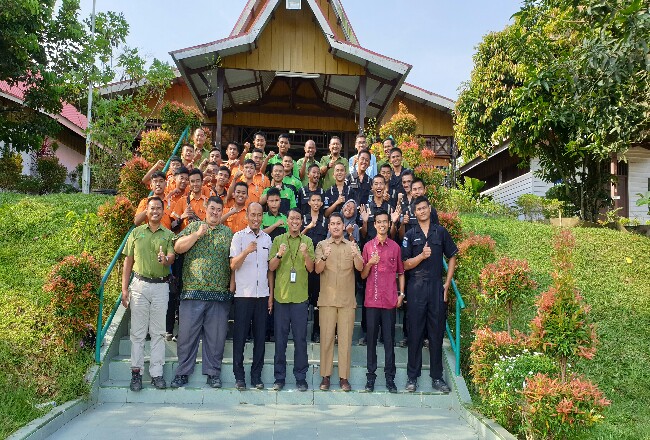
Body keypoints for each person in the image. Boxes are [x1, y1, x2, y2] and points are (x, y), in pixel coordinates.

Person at [170, 196, 234, 389]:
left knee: (215, 338)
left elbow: (233, 262)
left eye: (218, 210)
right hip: (192, 292)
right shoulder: (193, 228)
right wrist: (197, 234)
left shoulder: (228, 233)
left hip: (218, 294)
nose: (215, 213)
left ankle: (213, 373)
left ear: (222, 211)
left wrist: (231, 287)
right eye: (212, 209)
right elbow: (177, 247)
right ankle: (182, 372)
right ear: (206, 208)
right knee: (187, 336)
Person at [402, 196, 458, 393]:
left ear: (429, 208)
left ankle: (437, 378)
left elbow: (452, 256)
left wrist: (447, 284)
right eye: (418, 209)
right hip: (416, 287)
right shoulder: (410, 234)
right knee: (415, 333)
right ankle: (412, 377)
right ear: (414, 213)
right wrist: (421, 256)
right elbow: (404, 264)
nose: (422, 211)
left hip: (436, 287)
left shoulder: (440, 232)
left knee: (435, 334)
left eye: (425, 207)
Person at [121, 196, 176, 392]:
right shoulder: (136, 233)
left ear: (163, 211)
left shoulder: (168, 235)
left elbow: (171, 257)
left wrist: (165, 259)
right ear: (147, 211)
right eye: (151, 208)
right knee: (137, 332)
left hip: (161, 287)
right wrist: (124, 288)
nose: (155, 211)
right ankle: (136, 372)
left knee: (159, 332)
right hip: (139, 285)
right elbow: (128, 261)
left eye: (158, 208)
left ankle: (156, 373)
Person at [314, 213, 364, 392]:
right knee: (326, 340)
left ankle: (344, 378)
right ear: (328, 227)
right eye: (332, 224)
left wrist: (356, 254)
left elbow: (360, 267)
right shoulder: (321, 245)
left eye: (338, 224)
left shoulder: (352, 245)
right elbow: (317, 269)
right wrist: (325, 256)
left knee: (345, 341)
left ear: (344, 226)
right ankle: (325, 377)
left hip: (346, 301)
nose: (335, 227)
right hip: (327, 301)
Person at [268, 209, 315, 392]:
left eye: (298, 218)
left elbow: (311, 269)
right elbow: (271, 267)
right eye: (292, 218)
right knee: (280, 340)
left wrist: (304, 255)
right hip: (282, 297)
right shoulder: (278, 240)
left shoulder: (308, 241)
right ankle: (279, 378)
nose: (295, 221)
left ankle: (301, 377)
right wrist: (279, 254)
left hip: (300, 299)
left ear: (302, 221)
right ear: (287, 221)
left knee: (300, 340)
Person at [229, 202, 273, 390]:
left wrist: (270, 294)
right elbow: (233, 265)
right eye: (252, 215)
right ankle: (239, 376)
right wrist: (246, 251)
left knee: (260, 339)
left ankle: (256, 376)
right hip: (243, 296)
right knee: (239, 338)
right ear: (247, 216)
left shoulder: (267, 240)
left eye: (259, 215)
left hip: (262, 296)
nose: (256, 218)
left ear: (262, 216)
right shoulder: (238, 237)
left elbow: (270, 270)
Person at [360, 210, 405, 393]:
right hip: (371, 301)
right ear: (374, 224)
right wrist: (370, 263)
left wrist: (401, 294)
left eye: (385, 222)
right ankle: (370, 378)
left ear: (389, 224)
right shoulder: (368, 247)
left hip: (389, 302)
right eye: (378, 222)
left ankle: (390, 378)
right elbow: (362, 275)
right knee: (371, 342)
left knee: (389, 341)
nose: (382, 225)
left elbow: (401, 272)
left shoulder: (395, 247)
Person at [301, 192, 328, 343]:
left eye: (319, 200)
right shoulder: (303, 218)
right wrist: (308, 227)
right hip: (304, 263)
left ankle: (316, 332)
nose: (316, 203)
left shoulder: (325, 221)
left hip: (319, 264)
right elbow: (297, 235)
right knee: (303, 300)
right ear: (309, 202)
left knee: (318, 301)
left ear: (322, 203)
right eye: (313, 200)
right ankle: (302, 332)